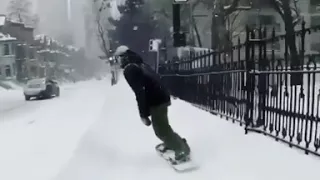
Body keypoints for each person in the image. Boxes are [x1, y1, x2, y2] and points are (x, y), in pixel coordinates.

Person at [114, 45, 190, 161]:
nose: (117, 61)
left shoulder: (130, 69)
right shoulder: (140, 63)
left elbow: (140, 92)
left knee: (161, 130)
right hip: (161, 96)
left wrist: (143, 115)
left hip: (157, 100)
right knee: (163, 126)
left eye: (118, 58)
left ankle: (181, 148)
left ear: (124, 57)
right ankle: (175, 142)